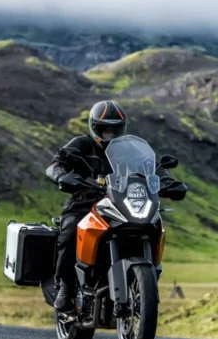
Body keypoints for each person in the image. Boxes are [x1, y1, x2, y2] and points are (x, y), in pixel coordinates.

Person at [45, 100, 176, 311]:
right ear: (95, 127)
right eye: (106, 129)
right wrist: (62, 176)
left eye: (115, 130)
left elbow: (154, 169)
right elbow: (55, 164)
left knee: (153, 225)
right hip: (85, 203)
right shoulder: (81, 144)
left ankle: (145, 281)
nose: (111, 134)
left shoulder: (132, 149)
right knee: (70, 232)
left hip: (123, 202)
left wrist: (168, 182)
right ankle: (66, 286)